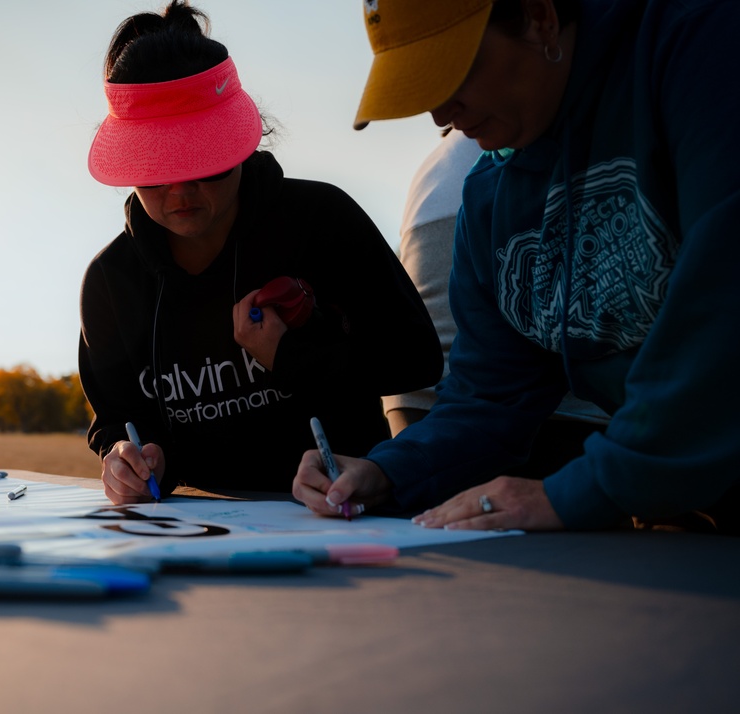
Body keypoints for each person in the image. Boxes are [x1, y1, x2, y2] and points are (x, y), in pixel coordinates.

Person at [294, 0, 740, 534]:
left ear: (540, 18)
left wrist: (590, 488)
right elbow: (491, 395)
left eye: (447, 72)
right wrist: (389, 470)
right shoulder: (490, 199)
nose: (438, 115)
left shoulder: (699, 47)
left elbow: (723, 298)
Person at [80, 1, 442, 504]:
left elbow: (417, 361)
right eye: (155, 171)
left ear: (240, 145)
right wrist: (130, 458)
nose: (180, 193)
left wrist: (294, 355)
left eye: (205, 164)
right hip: (197, 528)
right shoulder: (110, 281)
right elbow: (117, 419)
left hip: (338, 513)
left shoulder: (321, 220)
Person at [384, 128, 610, 479]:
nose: (438, 114)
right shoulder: (487, 180)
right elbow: (496, 375)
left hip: (430, 414)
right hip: (497, 419)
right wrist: (385, 472)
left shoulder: (449, 171)